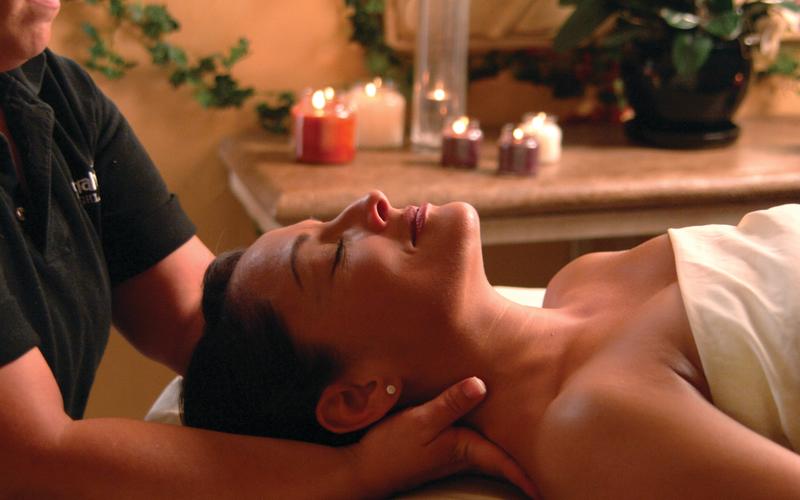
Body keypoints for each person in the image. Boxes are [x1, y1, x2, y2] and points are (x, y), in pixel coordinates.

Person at [0, 1, 537, 497]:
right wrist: (354, 471)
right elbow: (32, 456)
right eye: (334, 250)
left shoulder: (56, 96)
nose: (372, 202)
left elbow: (221, 333)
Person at [182, 190, 800, 498]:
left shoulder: (583, 278)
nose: (368, 205)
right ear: (357, 396)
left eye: (326, 222)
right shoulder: (585, 425)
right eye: (336, 253)